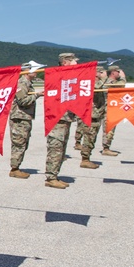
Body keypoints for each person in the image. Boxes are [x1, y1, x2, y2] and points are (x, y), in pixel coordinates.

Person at [45, 52, 79, 189]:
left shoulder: (68, 77)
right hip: (57, 119)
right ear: (65, 62)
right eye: (73, 61)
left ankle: (55, 175)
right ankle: (50, 177)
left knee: (61, 149)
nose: (76, 64)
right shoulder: (56, 75)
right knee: (55, 148)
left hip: (66, 118)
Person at [9, 66, 39, 178]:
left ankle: (16, 166)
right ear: (27, 71)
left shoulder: (28, 83)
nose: (36, 72)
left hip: (24, 117)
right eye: (34, 70)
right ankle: (14, 168)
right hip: (19, 118)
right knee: (19, 143)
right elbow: (22, 101)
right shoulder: (21, 83)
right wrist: (37, 95)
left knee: (23, 143)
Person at [78, 66, 108, 168]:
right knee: (88, 139)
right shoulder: (90, 82)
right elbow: (96, 87)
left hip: (96, 115)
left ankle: (87, 158)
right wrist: (104, 78)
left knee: (91, 139)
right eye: (100, 72)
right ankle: (85, 159)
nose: (102, 74)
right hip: (90, 115)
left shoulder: (97, 82)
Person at [101, 65, 126, 156]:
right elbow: (122, 85)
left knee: (109, 128)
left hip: (110, 108)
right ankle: (106, 148)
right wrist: (123, 77)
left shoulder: (112, 81)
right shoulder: (111, 82)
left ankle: (106, 147)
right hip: (109, 109)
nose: (119, 73)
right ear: (113, 72)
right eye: (118, 72)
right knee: (109, 128)